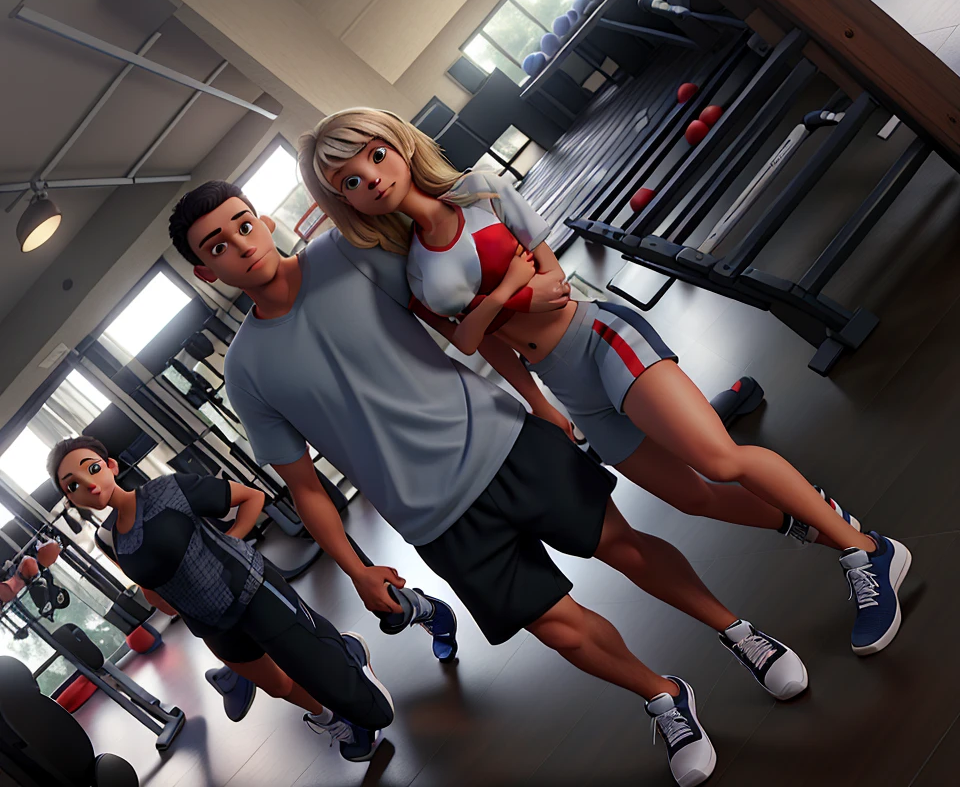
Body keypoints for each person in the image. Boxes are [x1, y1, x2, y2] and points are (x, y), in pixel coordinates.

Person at [169, 182, 812, 787]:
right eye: (217, 246)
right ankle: (664, 697)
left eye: (243, 225)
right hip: (434, 518)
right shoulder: (246, 370)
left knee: (625, 547)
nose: (242, 245)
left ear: (266, 220)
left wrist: (541, 387)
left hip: (504, 445)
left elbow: (457, 307)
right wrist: (358, 569)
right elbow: (305, 487)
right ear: (207, 272)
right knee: (555, 627)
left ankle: (739, 632)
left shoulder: (348, 252)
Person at [302, 107, 912, 660]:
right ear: (346, 203)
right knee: (690, 497)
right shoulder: (413, 272)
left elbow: (554, 280)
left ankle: (865, 552)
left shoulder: (481, 191)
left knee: (718, 460)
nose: (372, 179)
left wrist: (507, 295)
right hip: (563, 384)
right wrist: (535, 395)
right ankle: (818, 520)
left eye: (374, 156)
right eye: (350, 181)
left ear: (400, 147)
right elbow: (475, 339)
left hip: (598, 337)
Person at [48, 436, 394, 763]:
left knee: (312, 663)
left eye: (91, 468)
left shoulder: (166, 490)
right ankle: (333, 720)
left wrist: (235, 540)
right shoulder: (115, 541)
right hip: (211, 625)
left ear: (109, 465)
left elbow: (251, 497)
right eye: (72, 485)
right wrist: (162, 598)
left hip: (248, 590)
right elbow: (153, 590)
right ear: (71, 498)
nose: (88, 484)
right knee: (276, 685)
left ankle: (351, 664)